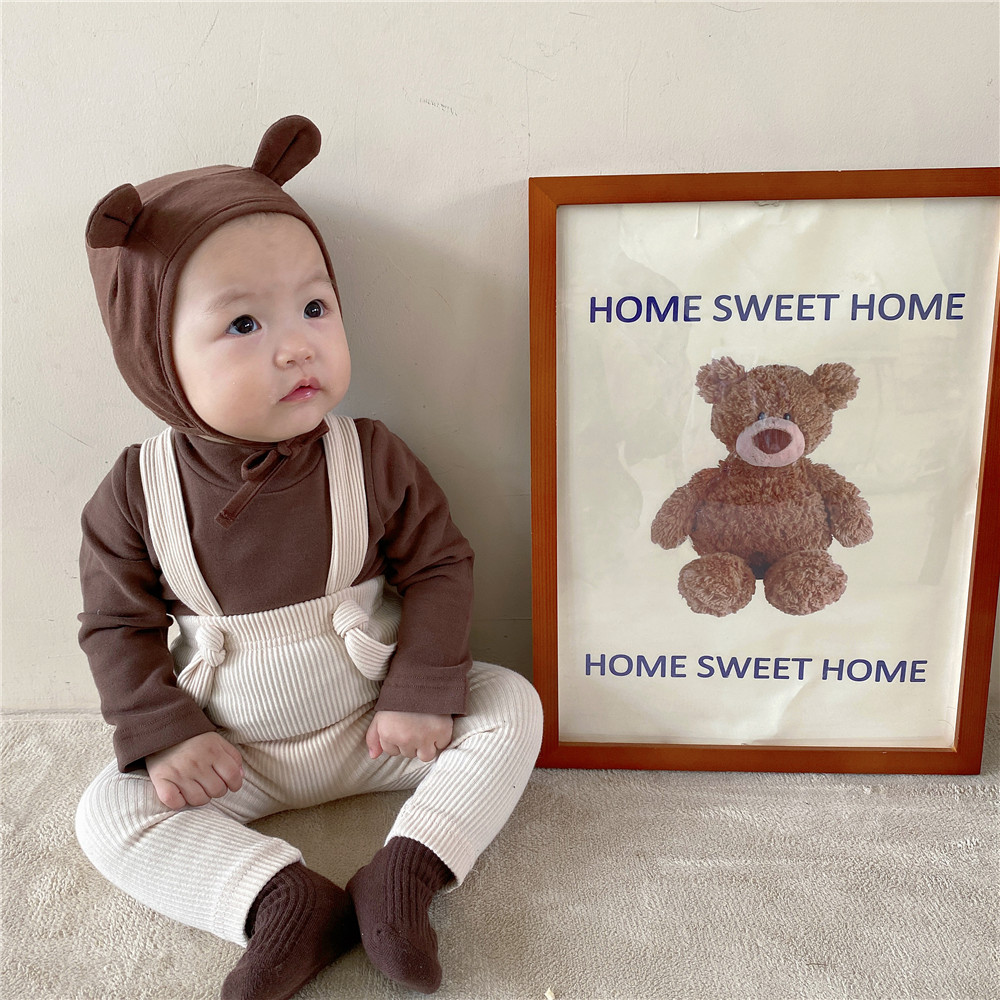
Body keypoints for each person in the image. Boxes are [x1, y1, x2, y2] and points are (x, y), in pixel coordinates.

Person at [74, 115, 543, 1000]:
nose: (296, 345)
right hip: (232, 754)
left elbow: (439, 565)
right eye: (243, 323)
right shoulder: (137, 491)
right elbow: (115, 625)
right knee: (106, 814)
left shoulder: (370, 456)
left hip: (377, 725)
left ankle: (405, 872)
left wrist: (421, 688)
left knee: (512, 706)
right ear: (155, 357)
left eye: (315, 308)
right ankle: (279, 902)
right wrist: (168, 735)